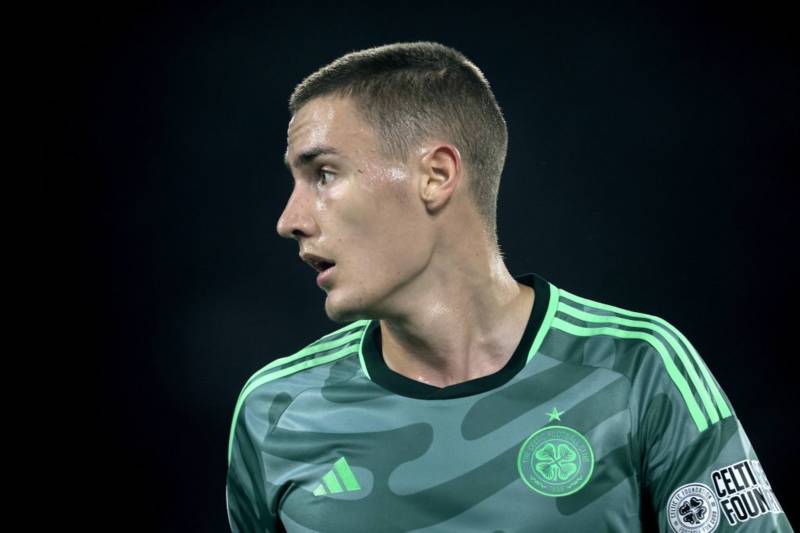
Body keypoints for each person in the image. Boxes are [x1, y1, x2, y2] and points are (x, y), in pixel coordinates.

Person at [225, 41, 792, 532]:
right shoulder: (276, 410)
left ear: (436, 176)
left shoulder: (636, 369)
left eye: (324, 174)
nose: (289, 220)